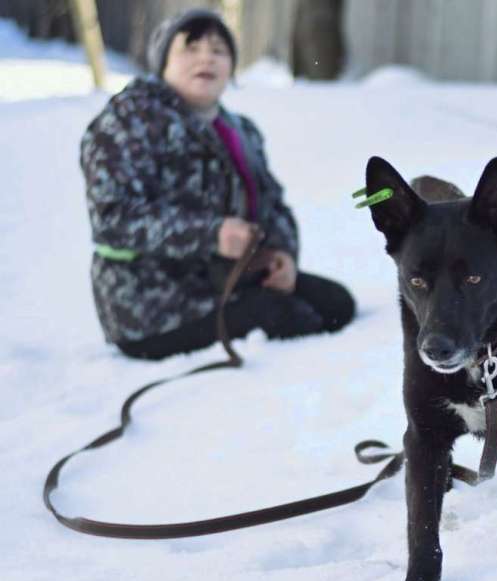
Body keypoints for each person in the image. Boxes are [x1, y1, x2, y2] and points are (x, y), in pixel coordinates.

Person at [81, 8, 354, 360]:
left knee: (337, 304)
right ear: (163, 61)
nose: (206, 58)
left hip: (228, 279)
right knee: (297, 320)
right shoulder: (126, 123)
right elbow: (112, 219)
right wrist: (211, 234)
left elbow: (274, 204)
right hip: (151, 308)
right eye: (190, 49)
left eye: (218, 50)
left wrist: (282, 253)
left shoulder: (241, 130)